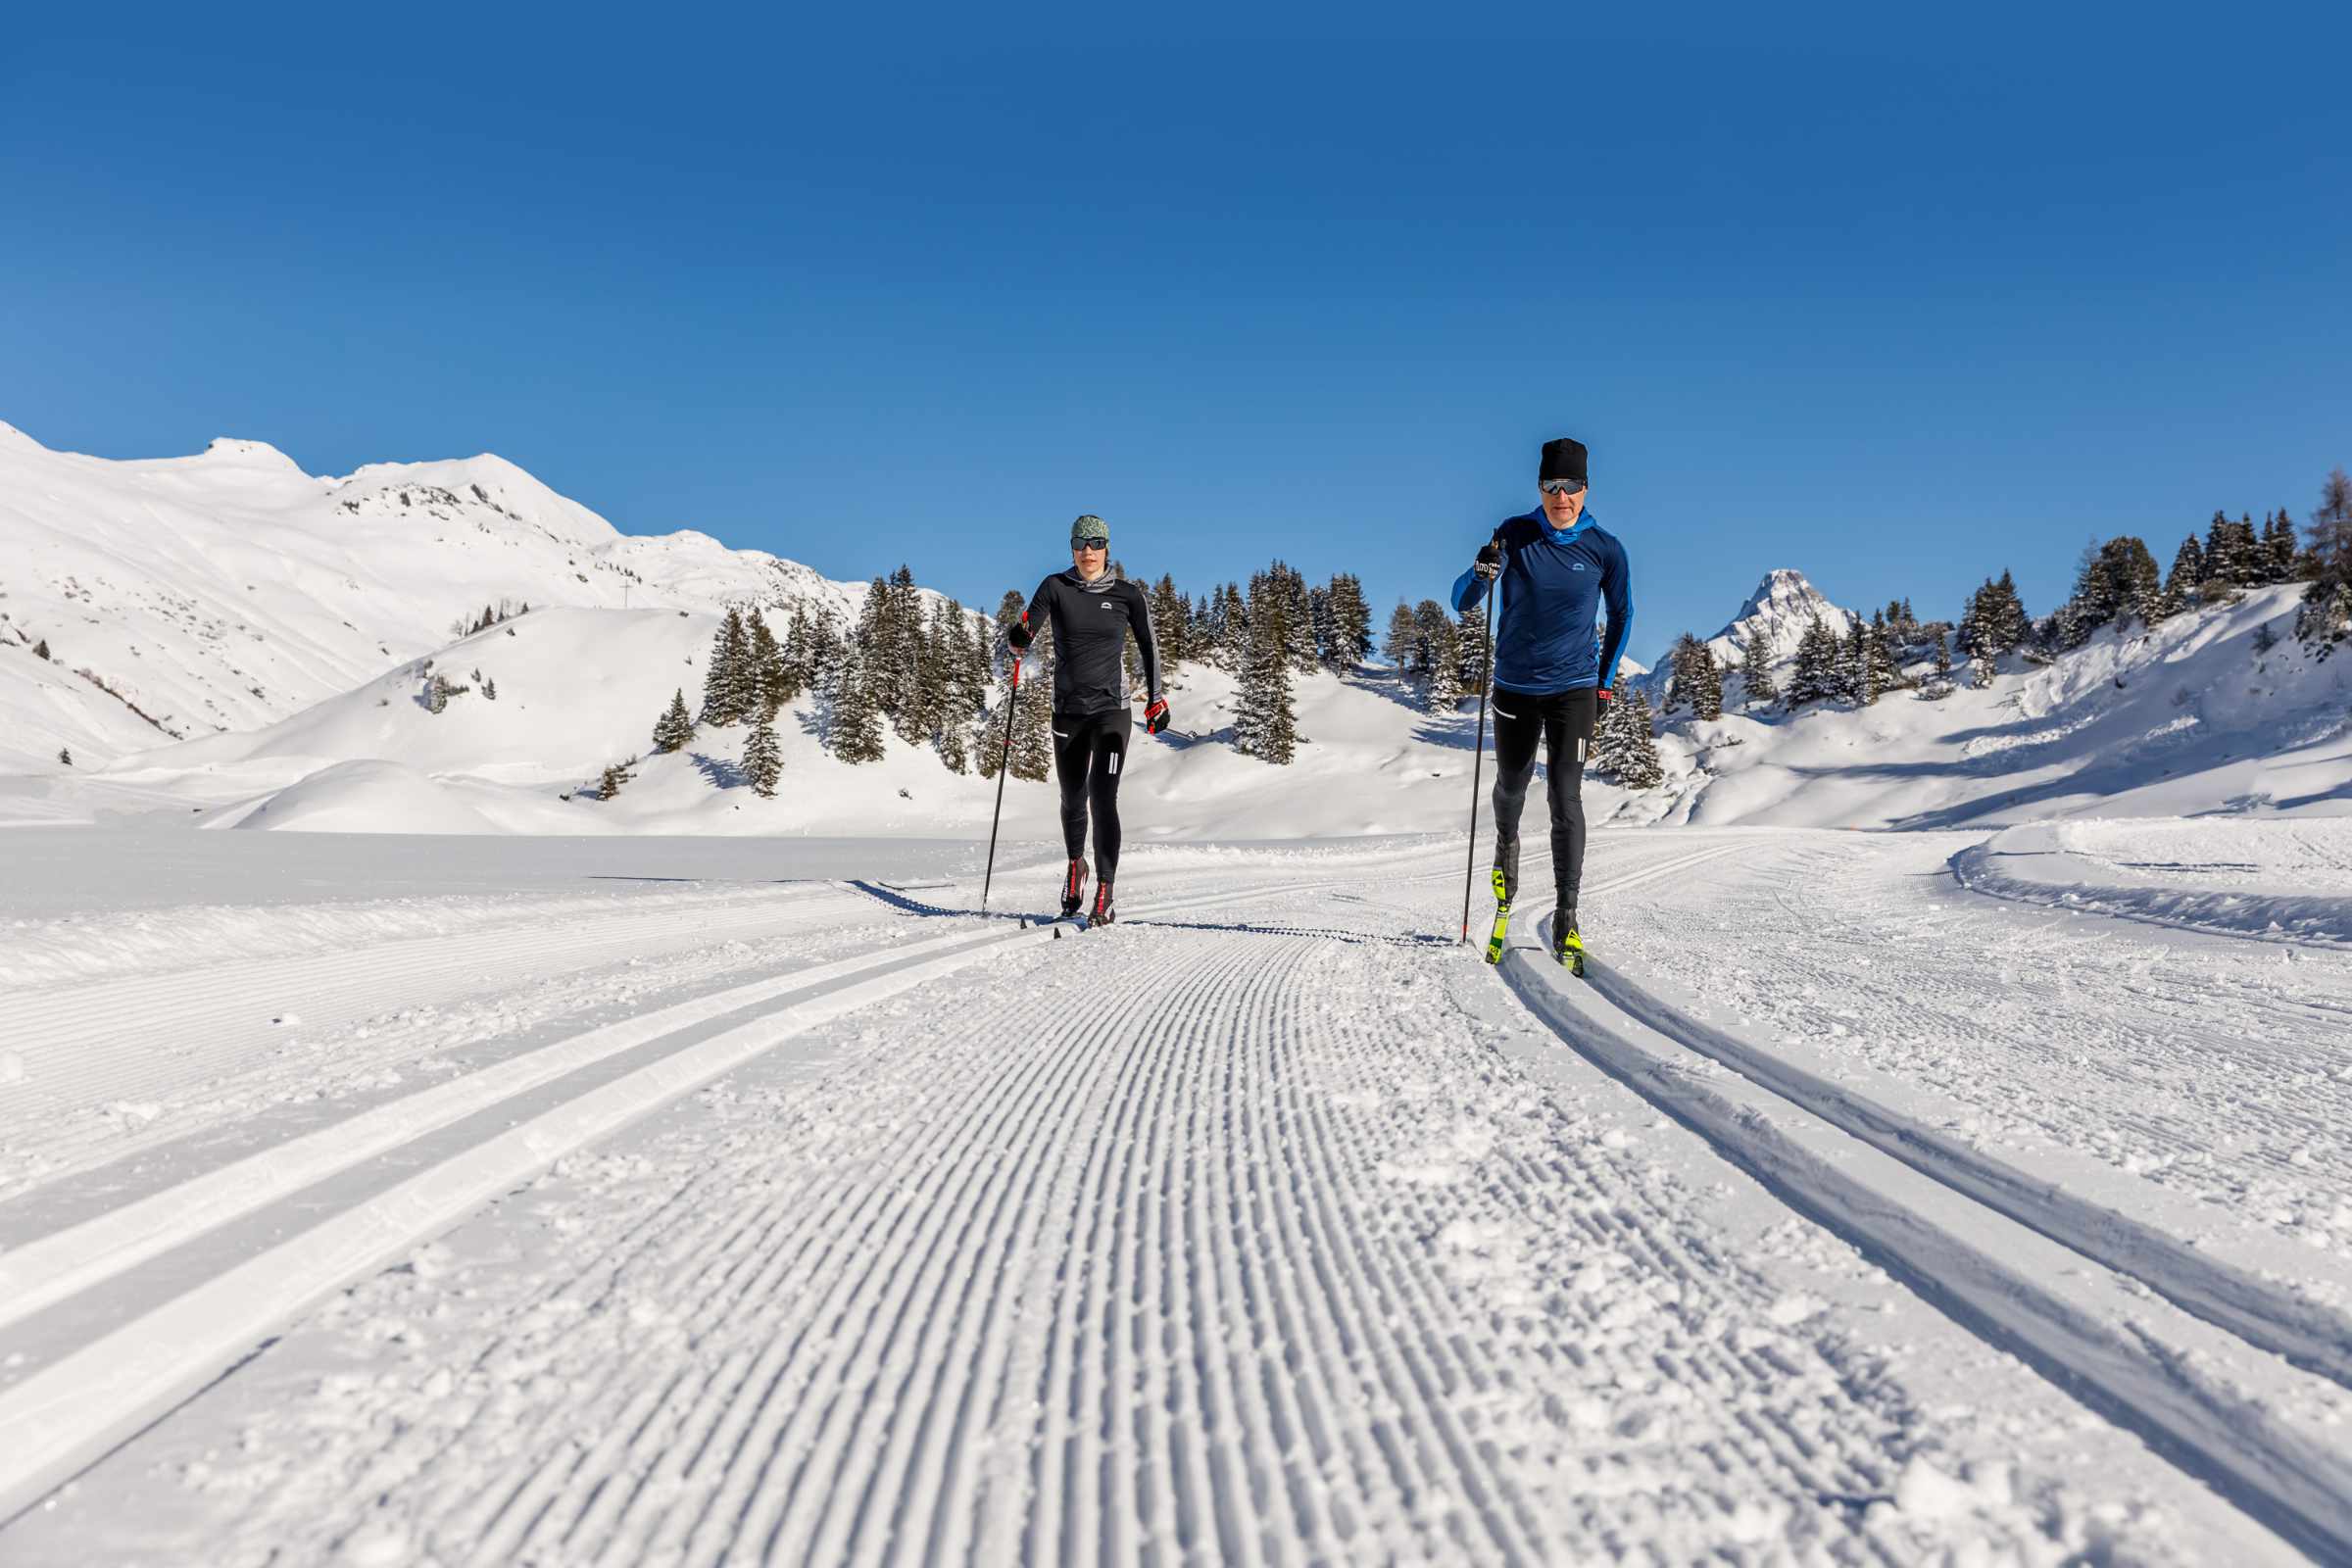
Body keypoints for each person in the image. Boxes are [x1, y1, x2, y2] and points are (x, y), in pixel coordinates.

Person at [1450, 436, 1634, 972]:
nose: (1562, 496)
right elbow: (1464, 601)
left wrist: (1602, 686)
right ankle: (1504, 870)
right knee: (1511, 787)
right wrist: (1481, 572)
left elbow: (1623, 617)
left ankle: (1566, 916)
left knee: (1564, 796)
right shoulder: (1513, 534)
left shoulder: (1606, 549)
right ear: (1540, 487)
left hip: (1574, 689)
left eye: (1571, 486)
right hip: (1514, 687)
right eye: (1553, 486)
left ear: (1585, 489)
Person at [1008, 514, 1170, 924]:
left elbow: (1149, 646)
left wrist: (1156, 698)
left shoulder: (1127, 595)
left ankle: (1105, 889)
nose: (1088, 551)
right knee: (1072, 798)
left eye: (1095, 543)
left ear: (1107, 548)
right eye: (1080, 543)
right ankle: (1075, 864)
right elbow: (1030, 624)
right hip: (1068, 711)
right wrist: (1018, 638)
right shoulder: (1055, 587)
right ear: (1072, 548)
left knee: (1103, 796)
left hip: (1111, 712)